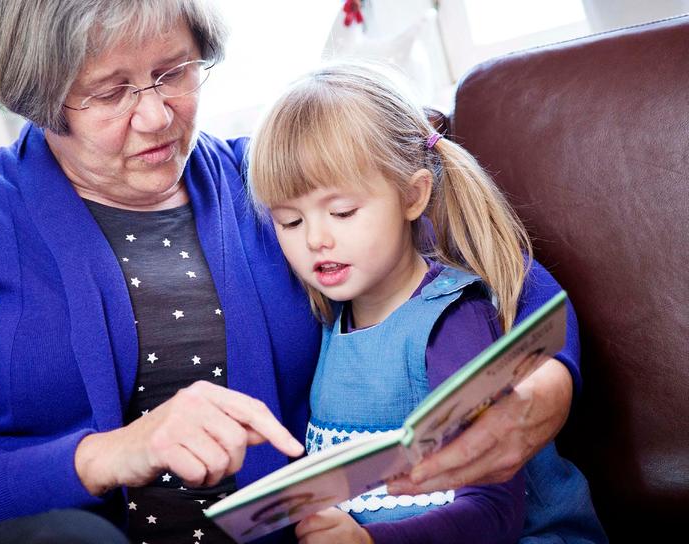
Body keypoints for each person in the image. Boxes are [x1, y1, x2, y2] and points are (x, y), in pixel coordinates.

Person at [0, 1, 586, 542]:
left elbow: (484, 269)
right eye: (112, 91)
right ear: (39, 93)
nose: (155, 115)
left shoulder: (275, 191)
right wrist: (114, 452)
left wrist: (550, 377)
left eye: (173, 71)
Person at [247, 63, 606, 543]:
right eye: (289, 222)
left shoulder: (451, 321)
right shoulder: (334, 322)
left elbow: (495, 512)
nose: (315, 238)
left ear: (413, 196)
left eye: (343, 212)